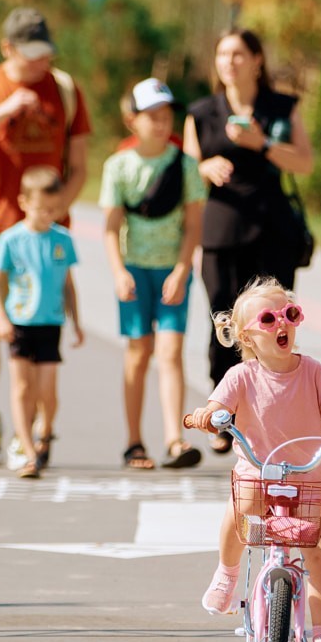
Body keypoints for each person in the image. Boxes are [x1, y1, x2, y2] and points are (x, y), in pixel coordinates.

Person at [187, 276, 321, 642]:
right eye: (269, 320)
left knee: (319, 550)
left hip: (308, 476)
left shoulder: (314, 372)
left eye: (289, 314)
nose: (282, 325)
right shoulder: (241, 377)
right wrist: (208, 415)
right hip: (260, 471)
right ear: (248, 337)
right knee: (243, 508)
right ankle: (227, 571)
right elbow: (216, 405)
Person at [0, 6, 92, 469]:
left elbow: (81, 165)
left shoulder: (65, 90)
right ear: (8, 49)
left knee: (40, 335)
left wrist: (54, 210)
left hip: (45, 235)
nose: (40, 65)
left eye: (45, 54)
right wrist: (3, 112)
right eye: (31, 56)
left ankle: (29, 432)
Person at [183, 28, 314, 455]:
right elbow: (185, 169)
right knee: (224, 321)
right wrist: (204, 167)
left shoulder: (281, 107)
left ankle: (270, 415)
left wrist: (263, 143)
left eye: (238, 53)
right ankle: (223, 416)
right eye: (222, 54)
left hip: (272, 230)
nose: (229, 62)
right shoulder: (202, 113)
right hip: (221, 231)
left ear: (257, 60)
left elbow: (305, 162)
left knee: (273, 325)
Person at [100, 78, 206, 470]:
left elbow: (193, 226)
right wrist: (117, 272)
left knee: (171, 351)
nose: (161, 124)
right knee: (138, 353)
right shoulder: (119, 166)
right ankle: (134, 442)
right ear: (132, 120)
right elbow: (111, 227)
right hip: (133, 272)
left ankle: (176, 441)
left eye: (166, 116)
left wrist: (181, 270)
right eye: (152, 116)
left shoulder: (185, 165)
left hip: (171, 272)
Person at [0, 166, 85, 479]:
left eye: (53, 209)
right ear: (24, 202)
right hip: (19, 323)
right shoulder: (11, 239)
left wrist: (77, 322)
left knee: (47, 391)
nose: (47, 215)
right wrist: (0, 318)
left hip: (50, 323)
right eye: (41, 209)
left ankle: (45, 431)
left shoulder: (62, 239)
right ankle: (28, 452)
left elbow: (69, 284)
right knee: (22, 388)